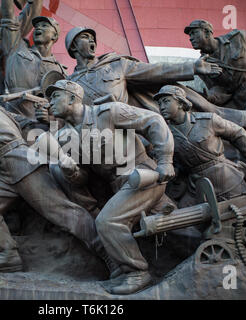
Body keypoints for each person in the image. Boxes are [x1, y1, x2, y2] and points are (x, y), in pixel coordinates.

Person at [0, 75, 115, 275]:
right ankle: (8, 255)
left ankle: (112, 255)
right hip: (6, 168)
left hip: (21, 163)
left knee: (64, 213)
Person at [45, 79, 175, 295]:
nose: (49, 103)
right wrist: (71, 172)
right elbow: (82, 179)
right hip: (120, 188)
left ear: (71, 97)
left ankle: (136, 272)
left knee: (108, 222)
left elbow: (154, 121)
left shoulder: (107, 113)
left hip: (144, 177)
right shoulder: (63, 136)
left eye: (55, 96)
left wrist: (165, 160)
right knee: (180, 234)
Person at [154, 85, 246, 207]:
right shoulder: (165, 134)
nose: (162, 107)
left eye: (166, 101)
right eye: (159, 104)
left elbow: (238, 133)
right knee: (184, 219)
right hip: (197, 185)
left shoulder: (208, 120)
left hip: (225, 177)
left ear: (180, 103)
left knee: (245, 210)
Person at [63, 26, 222, 110]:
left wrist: (193, 67)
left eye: (93, 38)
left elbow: (156, 71)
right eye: (85, 37)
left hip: (125, 128)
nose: (92, 41)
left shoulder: (116, 64)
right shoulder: (69, 84)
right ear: (73, 46)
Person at [1, 0, 66, 130]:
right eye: (37, 26)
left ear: (55, 35)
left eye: (44, 26)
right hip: (11, 123)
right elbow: (9, 19)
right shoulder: (16, 50)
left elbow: (65, 116)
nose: (38, 28)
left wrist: (50, 120)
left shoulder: (60, 72)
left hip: (41, 131)